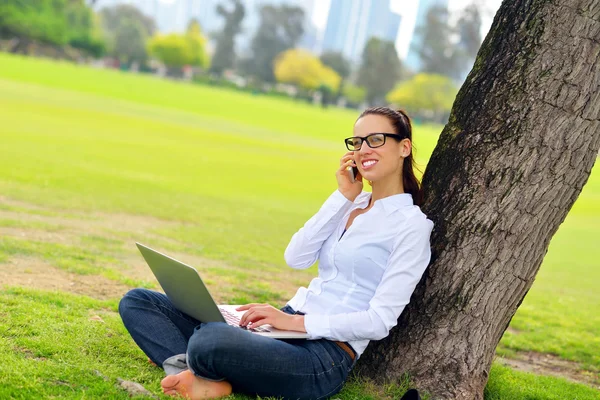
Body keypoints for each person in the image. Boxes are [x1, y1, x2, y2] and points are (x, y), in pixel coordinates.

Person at [118, 106, 434, 400]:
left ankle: (191, 360)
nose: (364, 149)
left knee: (209, 339)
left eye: (376, 139)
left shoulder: (411, 226)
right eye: (358, 141)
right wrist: (342, 195)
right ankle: (196, 372)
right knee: (139, 301)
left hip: (323, 355)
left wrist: (292, 323)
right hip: (281, 328)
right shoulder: (350, 203)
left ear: (404, 147)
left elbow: (379, 321)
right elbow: (296, 257)